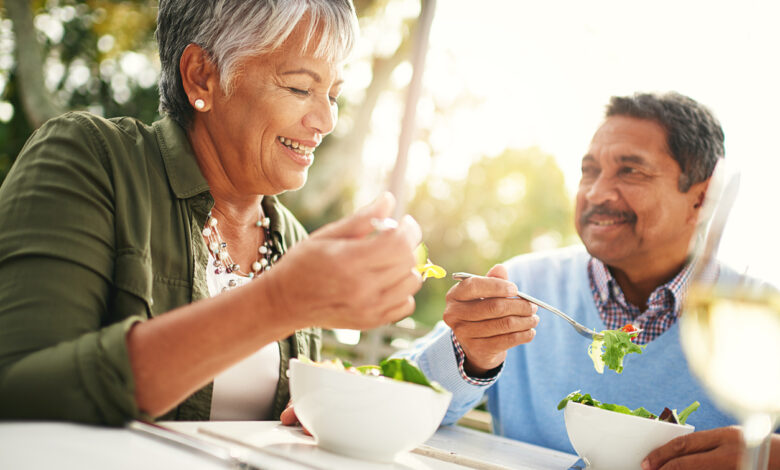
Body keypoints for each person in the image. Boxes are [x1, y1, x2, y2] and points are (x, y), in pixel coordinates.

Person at [0, 0, 423, 425]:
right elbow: (19, 389)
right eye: (299, 88)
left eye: (333, 95)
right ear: (201, 76)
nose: (326, 120)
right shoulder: (92, 160)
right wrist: (277, 302)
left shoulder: (294, 240)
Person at [400, 92, 779, 469]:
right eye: (590, 170)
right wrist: (471, 358)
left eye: (630, 171)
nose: (596, 193)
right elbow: (398, 393)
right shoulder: (522, 287)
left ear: (702, 197)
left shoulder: (760, 317)